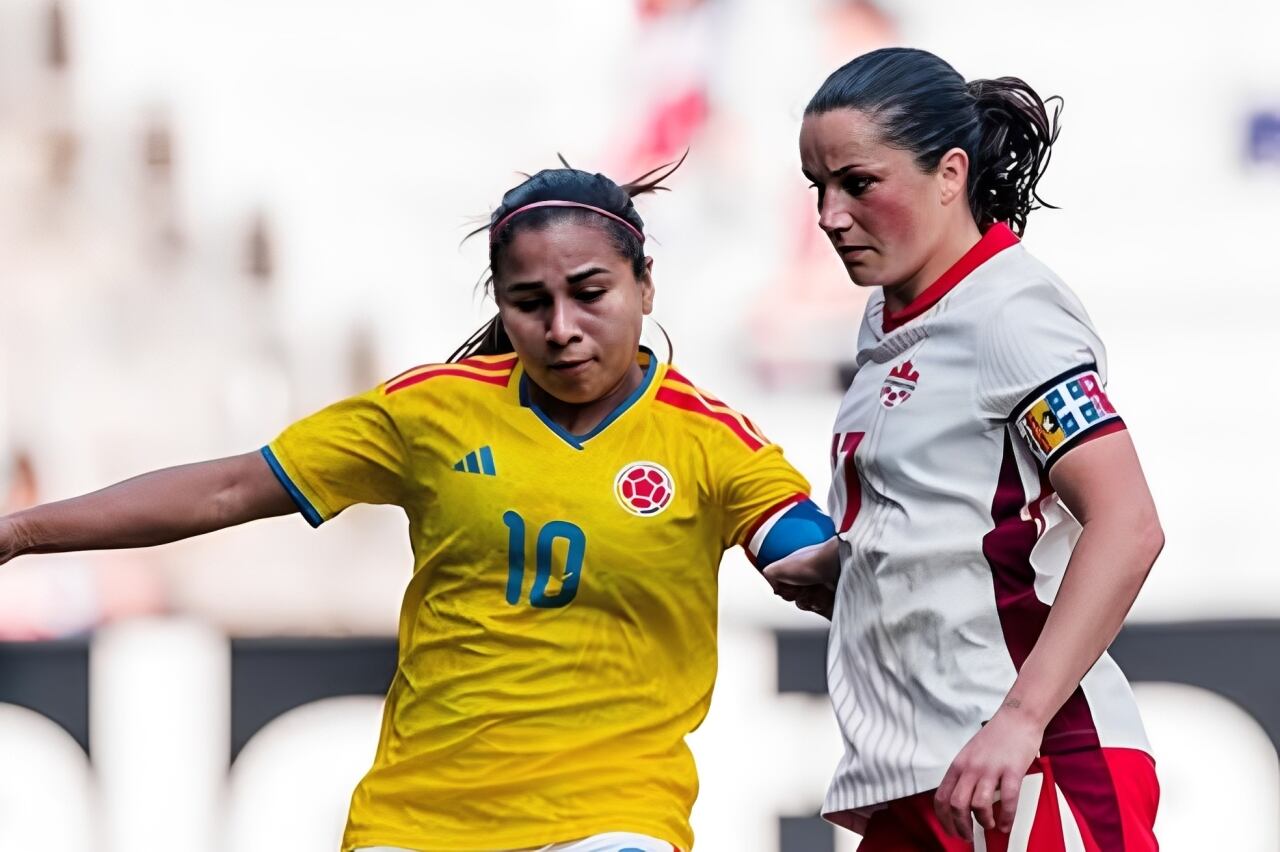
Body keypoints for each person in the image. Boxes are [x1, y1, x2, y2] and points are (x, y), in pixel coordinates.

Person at [0, 164, 836, 852]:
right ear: (501, 305)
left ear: (645, 285)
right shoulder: (431, 411)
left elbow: (802, 543)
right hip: (423, 818)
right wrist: (20, 532)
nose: (562, 327)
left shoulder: (712, 440)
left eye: (591, 292)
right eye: (529, 302)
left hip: (612, 817)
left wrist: (830, 564)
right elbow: (231, 486)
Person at [765, 47, 1164, 850]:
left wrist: (1018, 723)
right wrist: (860, 567)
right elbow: (971, 515)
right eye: (818, 187)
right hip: (921, 776)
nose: (829, 215)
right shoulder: (891, 318)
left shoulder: (1011, 314)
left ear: (950, 173)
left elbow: (1127, 524)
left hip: (1029, 770)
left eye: (857, 183)